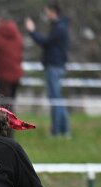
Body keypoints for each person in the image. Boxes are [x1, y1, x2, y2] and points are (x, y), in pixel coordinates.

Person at [26, 3, 70, 137]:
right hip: (56, 66)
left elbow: (46, 42)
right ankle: (63, 130)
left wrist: (32, 31)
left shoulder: (59, 28)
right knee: (57, 98)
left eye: (47, 12)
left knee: (56, 99)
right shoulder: (60, 26)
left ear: (53, 12)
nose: (46, 15)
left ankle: (58, 130)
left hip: (54, 66)